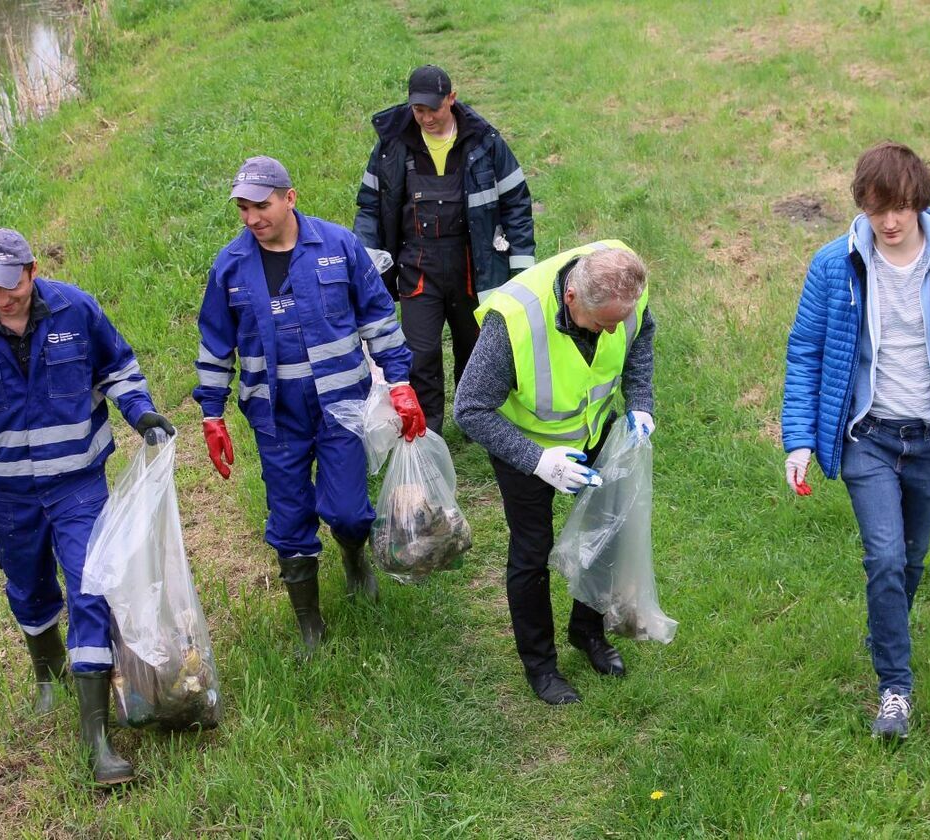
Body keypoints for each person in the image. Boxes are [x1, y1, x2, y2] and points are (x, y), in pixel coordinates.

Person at [781, 142, 930, 740]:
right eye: (876, 209)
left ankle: (884, 622)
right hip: (868, 435)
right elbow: (805, 352)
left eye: (900, 207)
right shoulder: (832, 264)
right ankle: (895, 688)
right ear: (861, 205)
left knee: (911, 561)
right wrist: (800, 441)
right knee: (885, 557)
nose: (889, 222)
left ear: (920, 201)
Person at [0, 227, 175, 785]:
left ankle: (97, 738)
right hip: (8, 494)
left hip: (78, 482)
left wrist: (142, 414)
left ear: (32, 271)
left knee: (91, 584)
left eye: (10, 286)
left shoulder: (76, 310)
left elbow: (119, 370)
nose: (2, 299)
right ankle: (46, 671)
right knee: (28, 586)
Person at [195, 156, 424, 655]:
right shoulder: (230, 267)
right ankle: (310, 626)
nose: (252, 218)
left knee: (346, 511)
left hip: (341, 406)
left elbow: (378, 317)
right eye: (243, 208)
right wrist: (211, 413)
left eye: (261, 206)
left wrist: (400, 382)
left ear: (289, 198)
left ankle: (354, 557)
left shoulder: (338, 246)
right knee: (289, 517)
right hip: (275, 416)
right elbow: (215, 346)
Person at [455, 242, 656, 705]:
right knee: (531, 553)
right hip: (525, 442)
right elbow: (469, 409)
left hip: (594, 427)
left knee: (608, 531)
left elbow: (641, 335)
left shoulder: (626, 292)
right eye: (604, 322)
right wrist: (538, 461)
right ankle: (541, 666)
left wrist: (641, 402)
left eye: (617, 322)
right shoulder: (514, 321)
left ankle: (587, 633)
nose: (613, 331)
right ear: (571, 298)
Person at [355, 64, 536, 434]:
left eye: (433, 109)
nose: (425, 118)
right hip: (417, 265)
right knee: (420, 354)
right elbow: (370, 206)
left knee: (477, 349)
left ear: (451, 99)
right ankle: (427, 431)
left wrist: (521, 270)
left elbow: (517, 202)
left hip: (473, 266)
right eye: (418, 110)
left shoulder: (485, 141)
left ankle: (477, 423)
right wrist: (368, 263)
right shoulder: (391, 145)